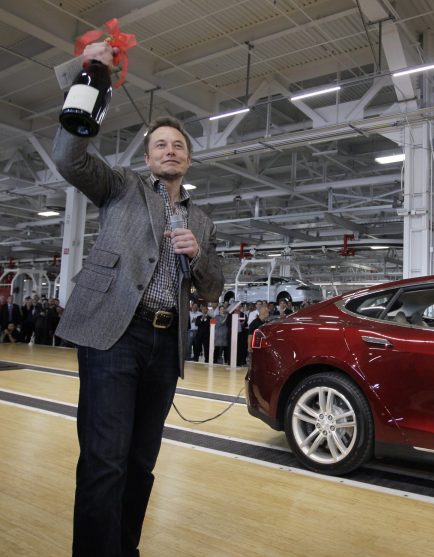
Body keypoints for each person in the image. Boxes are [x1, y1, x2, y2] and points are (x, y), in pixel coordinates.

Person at [51, 41, 224, 557]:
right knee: (105, 460)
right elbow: (68, 155)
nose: (171, 150)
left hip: (164, 346)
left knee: (141, 462)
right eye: (161, 145)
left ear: (188, 159)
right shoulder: (122, 187)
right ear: (148, 158)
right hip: (113, 335)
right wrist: (95, 75)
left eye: (179, 145)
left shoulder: (203, 221)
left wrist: (198, 257)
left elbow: (214, 288)